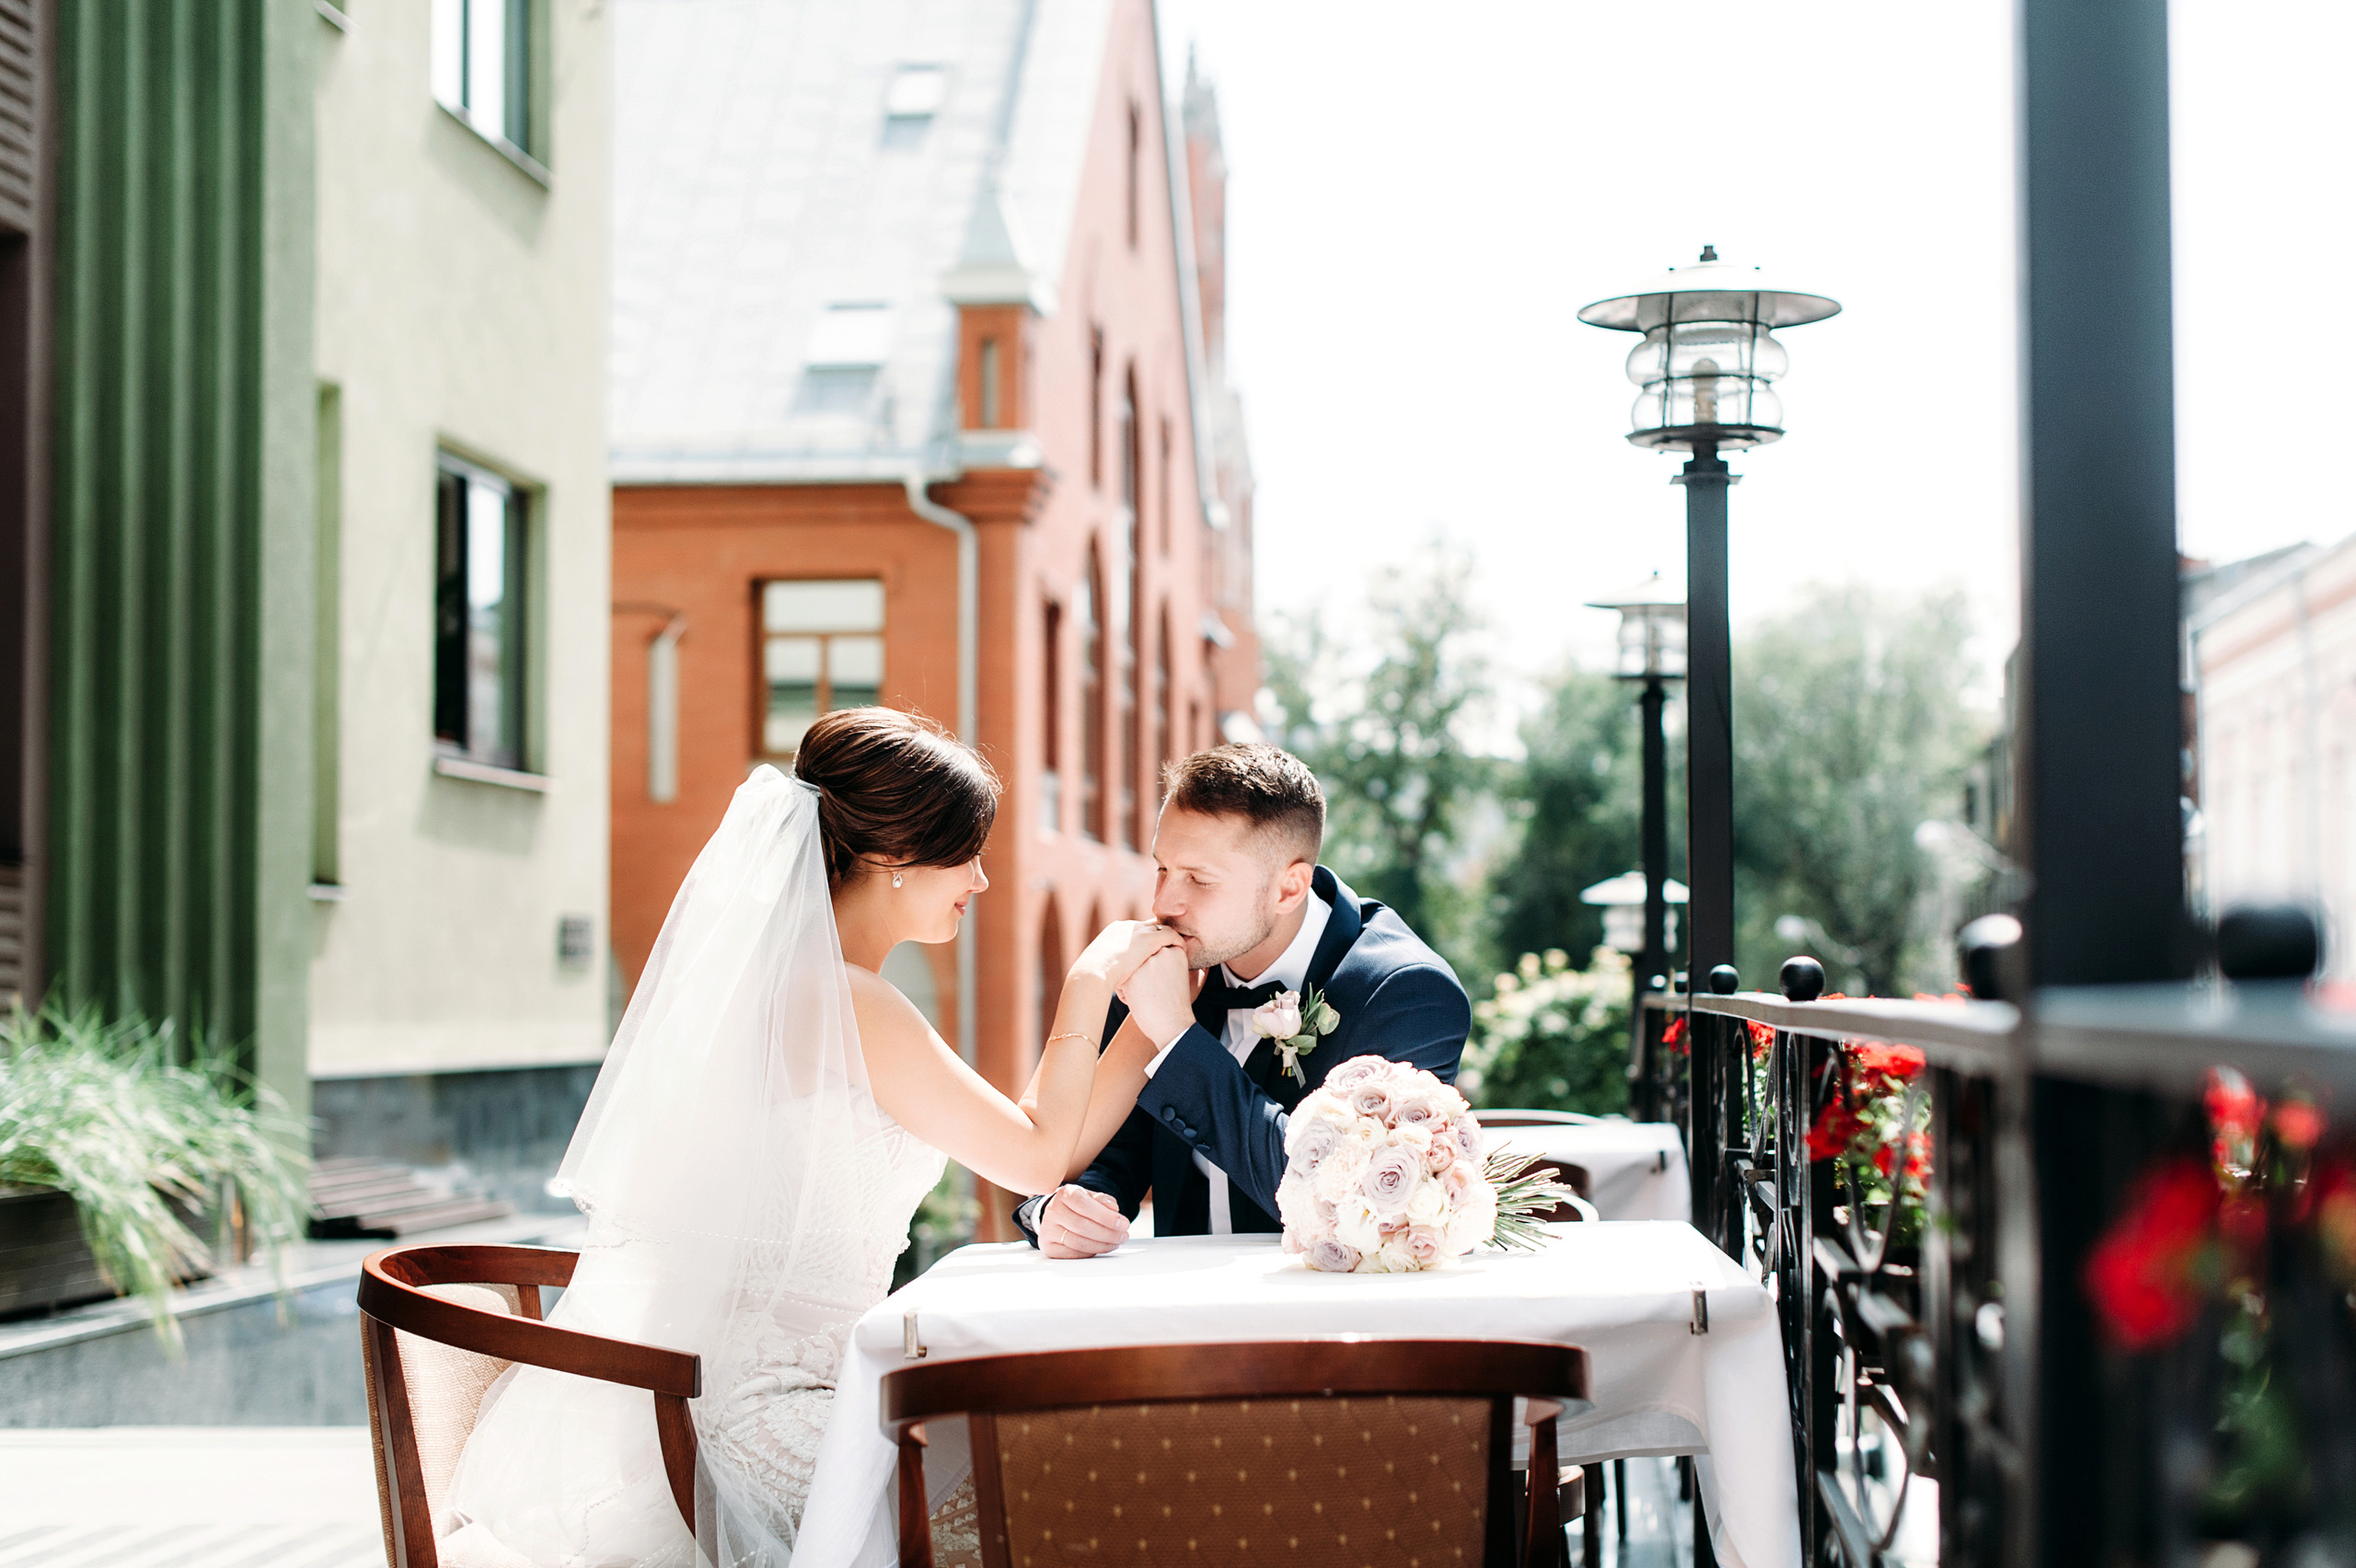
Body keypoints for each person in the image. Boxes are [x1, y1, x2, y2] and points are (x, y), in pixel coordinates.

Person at [438, 708, 1178, 1568]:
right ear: (895, 858)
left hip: (800, 1392)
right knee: (1048, 1495)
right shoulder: (841, 1000)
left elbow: (1034, 1133)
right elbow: (1036, 1157)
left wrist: (1158, 1020)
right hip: (769, 1419)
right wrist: (1091, 981)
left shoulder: (825, 992)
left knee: (1046, 1472)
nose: (980, 881)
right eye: (965, 853)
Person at [1016, 743, 1472, 1258]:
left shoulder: (1406, 993)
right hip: (1175, 1318)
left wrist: (1177, 1038)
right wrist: (1064, 1209)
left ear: (1288, 889)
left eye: (1199, 879)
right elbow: (1099, 1151)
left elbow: (1342, 1197)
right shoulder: (1162, 965)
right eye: (1162, 869)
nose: (1163, 903)